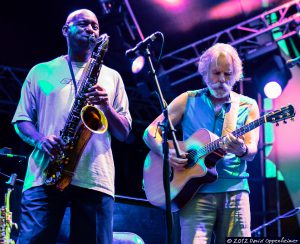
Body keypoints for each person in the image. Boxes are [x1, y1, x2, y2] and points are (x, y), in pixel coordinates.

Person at [12, 9, 132, 244]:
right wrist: (40, 139)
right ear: (66, 30)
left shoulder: (112, 77)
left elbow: (124, 132)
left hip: (94, 177)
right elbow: (21, 120)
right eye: (84, 24)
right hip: (45, 174)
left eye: (95, 26)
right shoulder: (41, 71)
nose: (91, 29)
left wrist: (106, 107)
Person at [143, 43, 260, 243]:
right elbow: (150, 131)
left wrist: (241, 149)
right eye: (216, 73)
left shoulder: (248, 105)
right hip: (193, 193)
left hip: (235, 193)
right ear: (205, 72)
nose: (222, 79)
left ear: (236, 75)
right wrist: (166, 153)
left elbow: (252, 151)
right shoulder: (187, 99)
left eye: (227, 74)